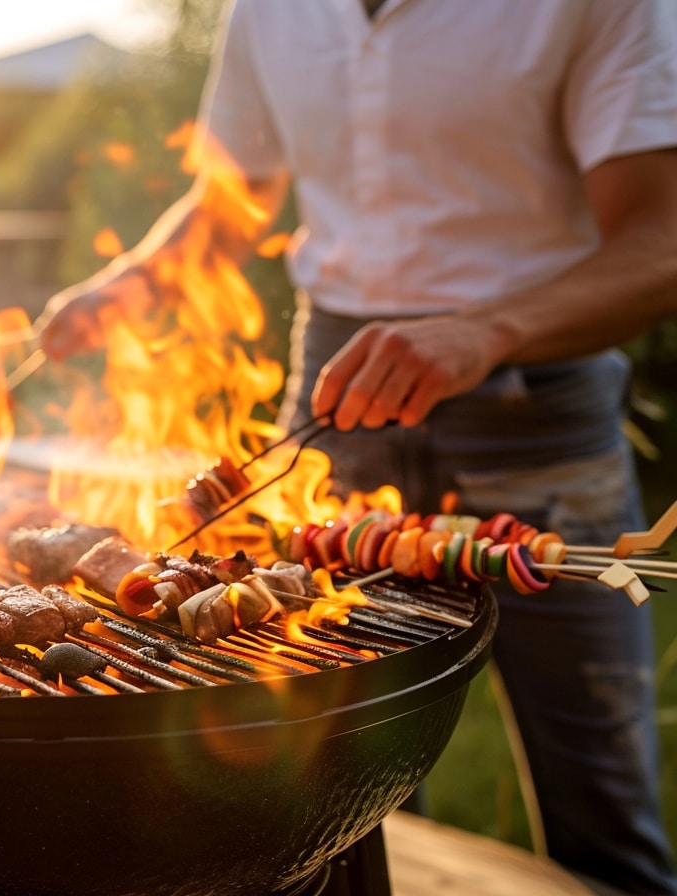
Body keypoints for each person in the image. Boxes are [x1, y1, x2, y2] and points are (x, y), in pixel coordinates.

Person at [37, 1, 677, 893]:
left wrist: (485, 330)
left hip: (534, 414)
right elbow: (231, 200)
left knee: (605, 824)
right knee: (334, 814)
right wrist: (127, 284)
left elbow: (660, 240)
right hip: (334, 418)